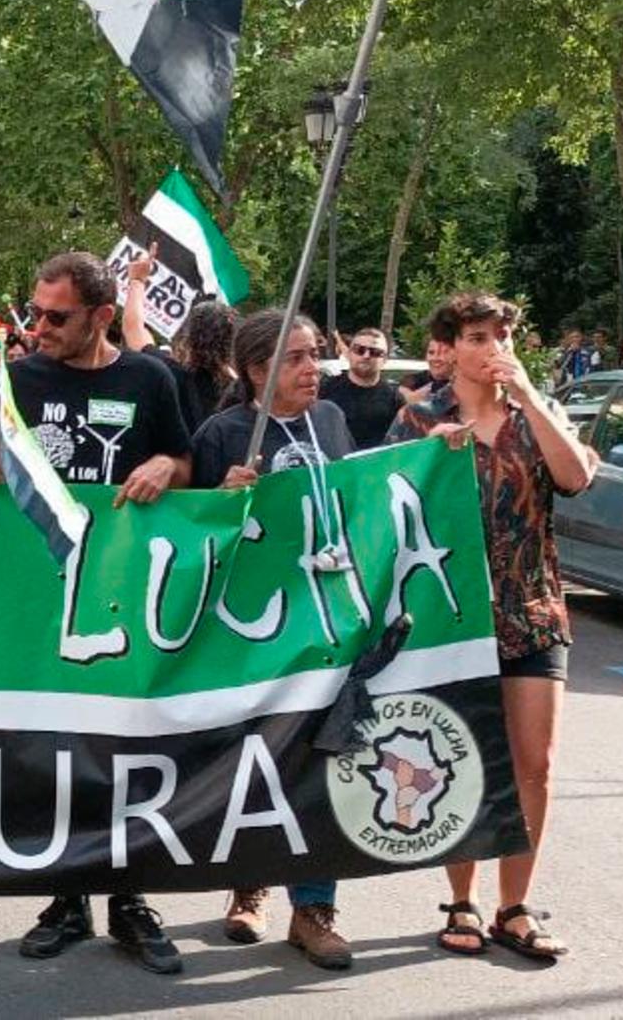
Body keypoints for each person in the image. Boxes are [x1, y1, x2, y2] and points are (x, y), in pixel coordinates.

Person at [0, 252, 192, 976]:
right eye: (35, 311)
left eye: (56, 316)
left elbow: (187, 461)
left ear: (102, 316)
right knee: (56, 748)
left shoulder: (150, 378)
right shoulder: (22, 378)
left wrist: (167, 467)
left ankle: (131, 899)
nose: (39, 327)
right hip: (41, 597)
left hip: (124, 597)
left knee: (126, 748)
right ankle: (66, 899)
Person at [387, 291, 598, 962]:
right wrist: (426, 458)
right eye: (478, 337)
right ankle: (462, 899)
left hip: (532, 610)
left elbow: (575, 478)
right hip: (454, 619)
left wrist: (531, 398)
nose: (493, 349)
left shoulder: (538, 411)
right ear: (451, 348)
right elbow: (381, 506)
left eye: (501, 336)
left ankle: (515, 906)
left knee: (535, 763)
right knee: (464, 760)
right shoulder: (420, 417)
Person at [187, 310, 357, 970]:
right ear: (256, 370)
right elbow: (192, 537)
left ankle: (314, 908)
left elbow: (363, 497)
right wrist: (222, 499)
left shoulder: (332, 421)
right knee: (254, 761)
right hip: (252, 631)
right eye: (296, 358)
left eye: (315, 355)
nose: (314, 369)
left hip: (325, 624)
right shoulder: (222, 433)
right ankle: (248, 884)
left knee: (319, 762)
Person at [121, 250, 237, 432]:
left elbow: (133, 329)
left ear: (188, 333)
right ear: (230, 341)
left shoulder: (168, 370)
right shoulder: (241, 390)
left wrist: (137, 280)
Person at [319, 325, 400, 450]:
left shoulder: (395, 399)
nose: (366, 356)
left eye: (375, 352)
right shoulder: (324, 389)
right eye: (359, 350)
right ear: (349, 353)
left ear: (385, 359)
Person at [400, 337, 454, 405]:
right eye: (431, 352)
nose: (435, 358)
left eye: (444, 353)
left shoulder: (463, 384)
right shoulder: (413, 380)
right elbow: (402, 394)